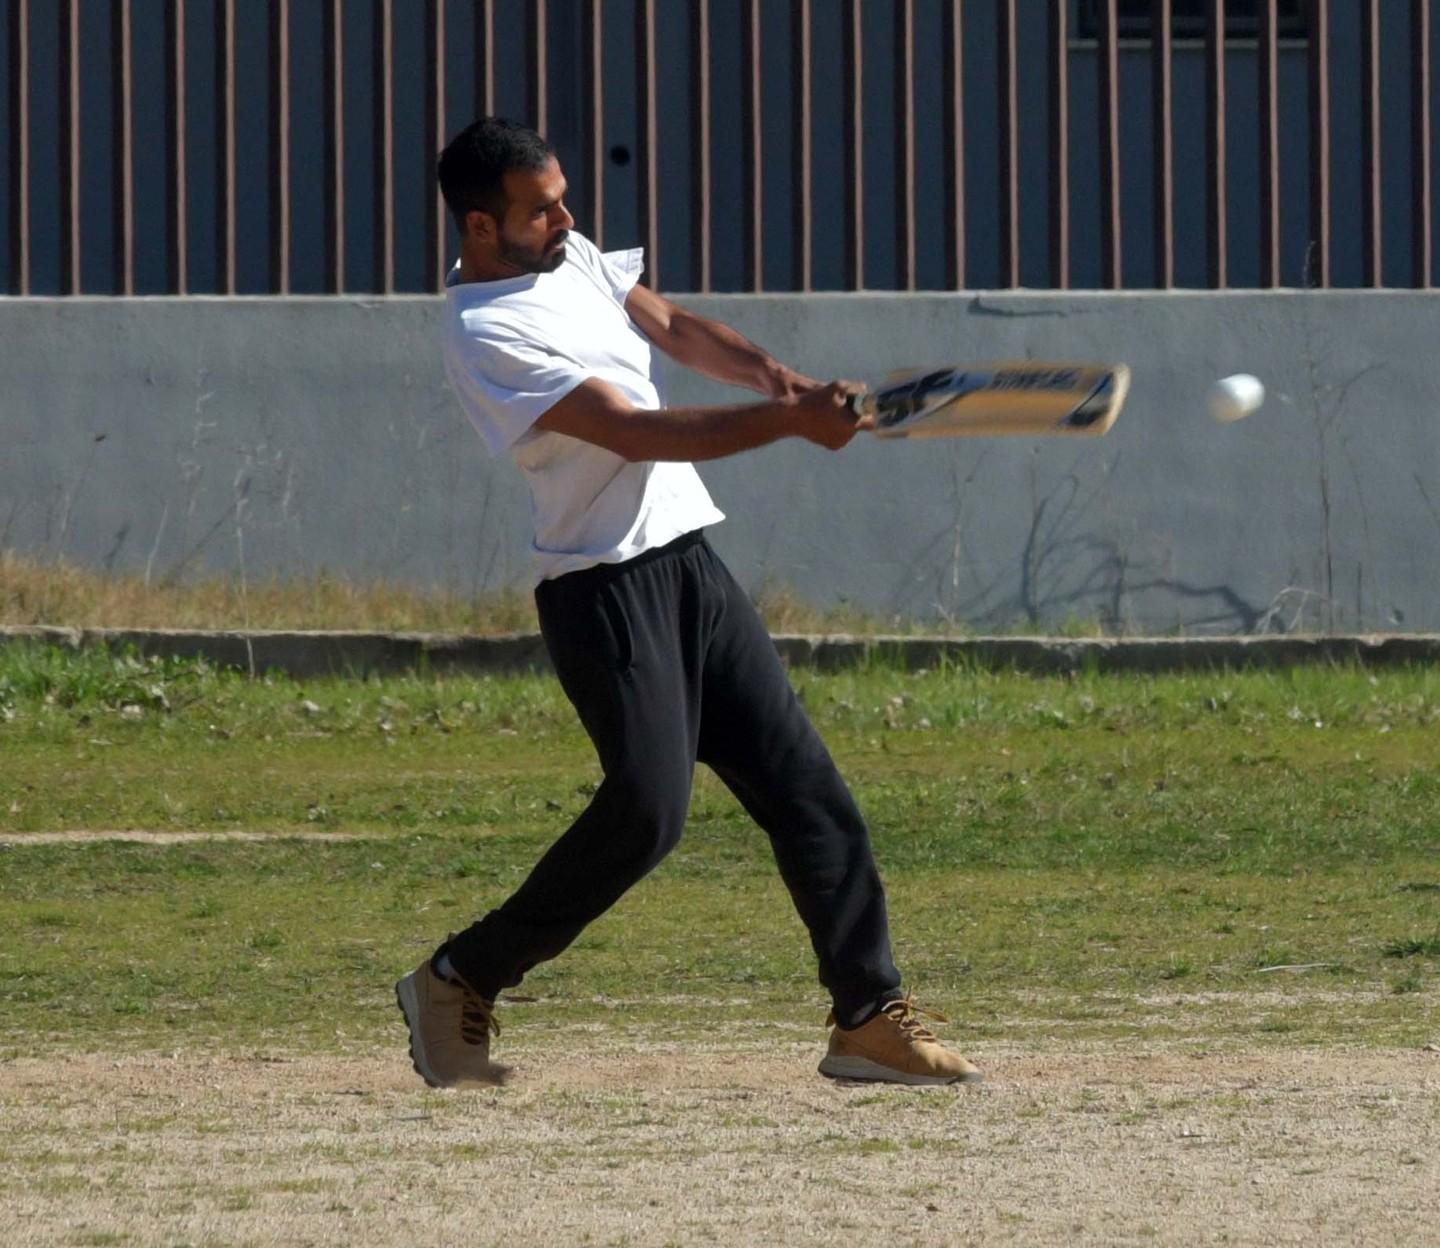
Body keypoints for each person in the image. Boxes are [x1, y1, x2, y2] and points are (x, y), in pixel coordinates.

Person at [394, 117, 981, 1089]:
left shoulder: (568, 253)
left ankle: (868, 1017)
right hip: (603, 591)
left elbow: (667, 325)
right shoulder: (485, 332)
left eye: (562, 195)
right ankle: (461, 977)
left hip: (688, 566)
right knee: (647, 815)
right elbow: (635, 431)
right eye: (542, 207)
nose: (567, 216)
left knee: (808, 791)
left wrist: (776, 378)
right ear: (481, 226)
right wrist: (789, 425)